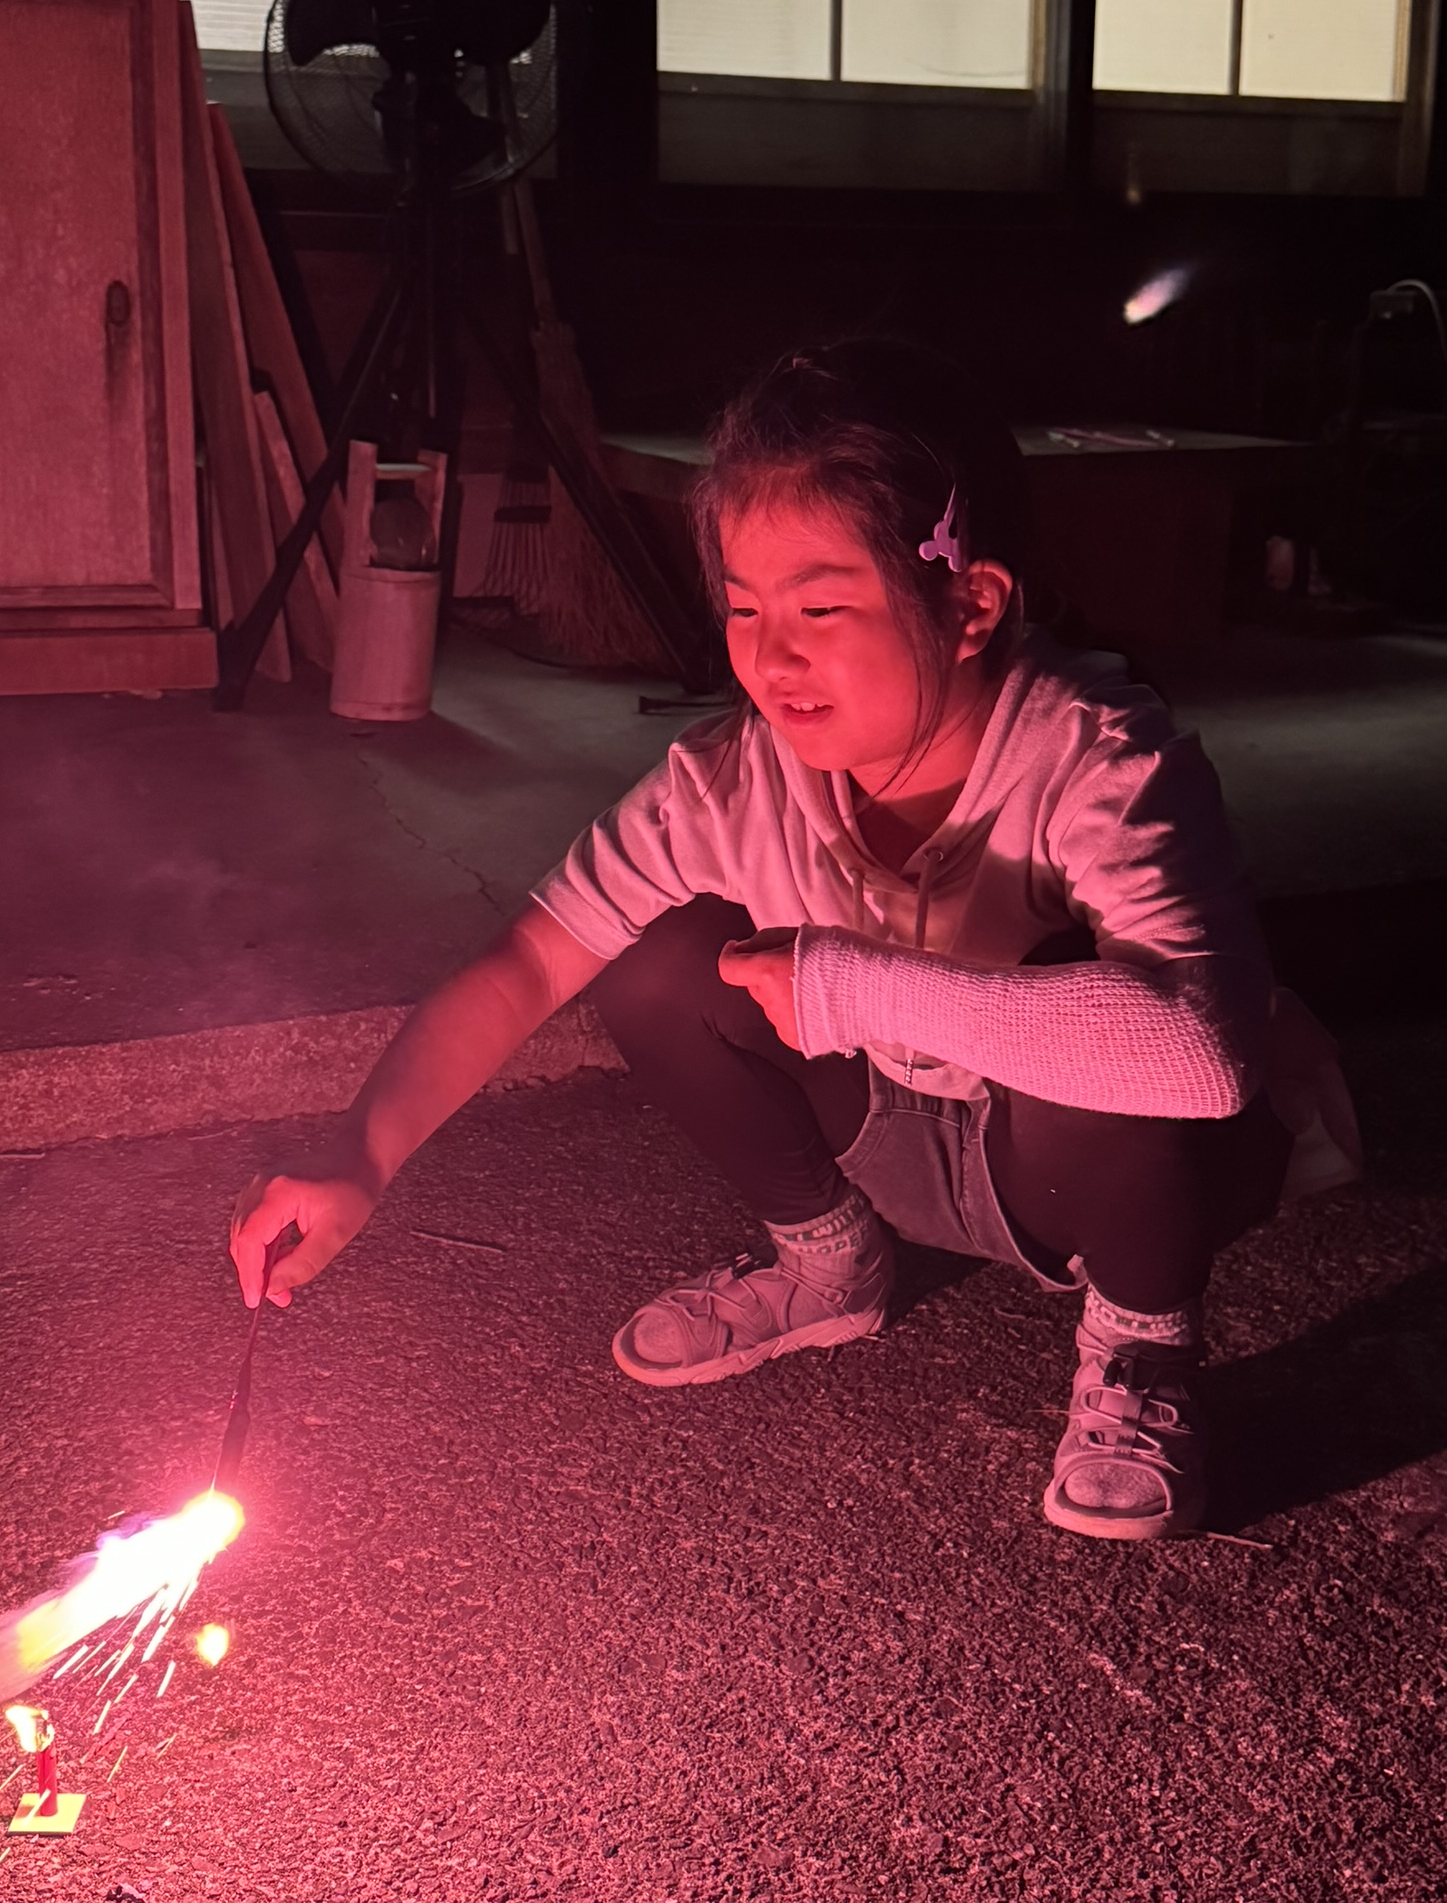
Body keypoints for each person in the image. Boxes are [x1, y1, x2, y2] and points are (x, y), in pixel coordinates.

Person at [231, 338, 1357, 1544]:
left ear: (970, 604)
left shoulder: (1097, 759)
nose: (772, 656)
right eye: (744, 607)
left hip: (1109, 1173)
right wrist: (361, 1155)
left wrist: (855, 988)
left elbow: (1202, 1054)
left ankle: (1140, 1348)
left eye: (822, 607)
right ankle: (829, 1265)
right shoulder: (731, 782)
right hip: (898, 1133)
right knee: (661, 960)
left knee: (1101, 1019)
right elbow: (531, 962)